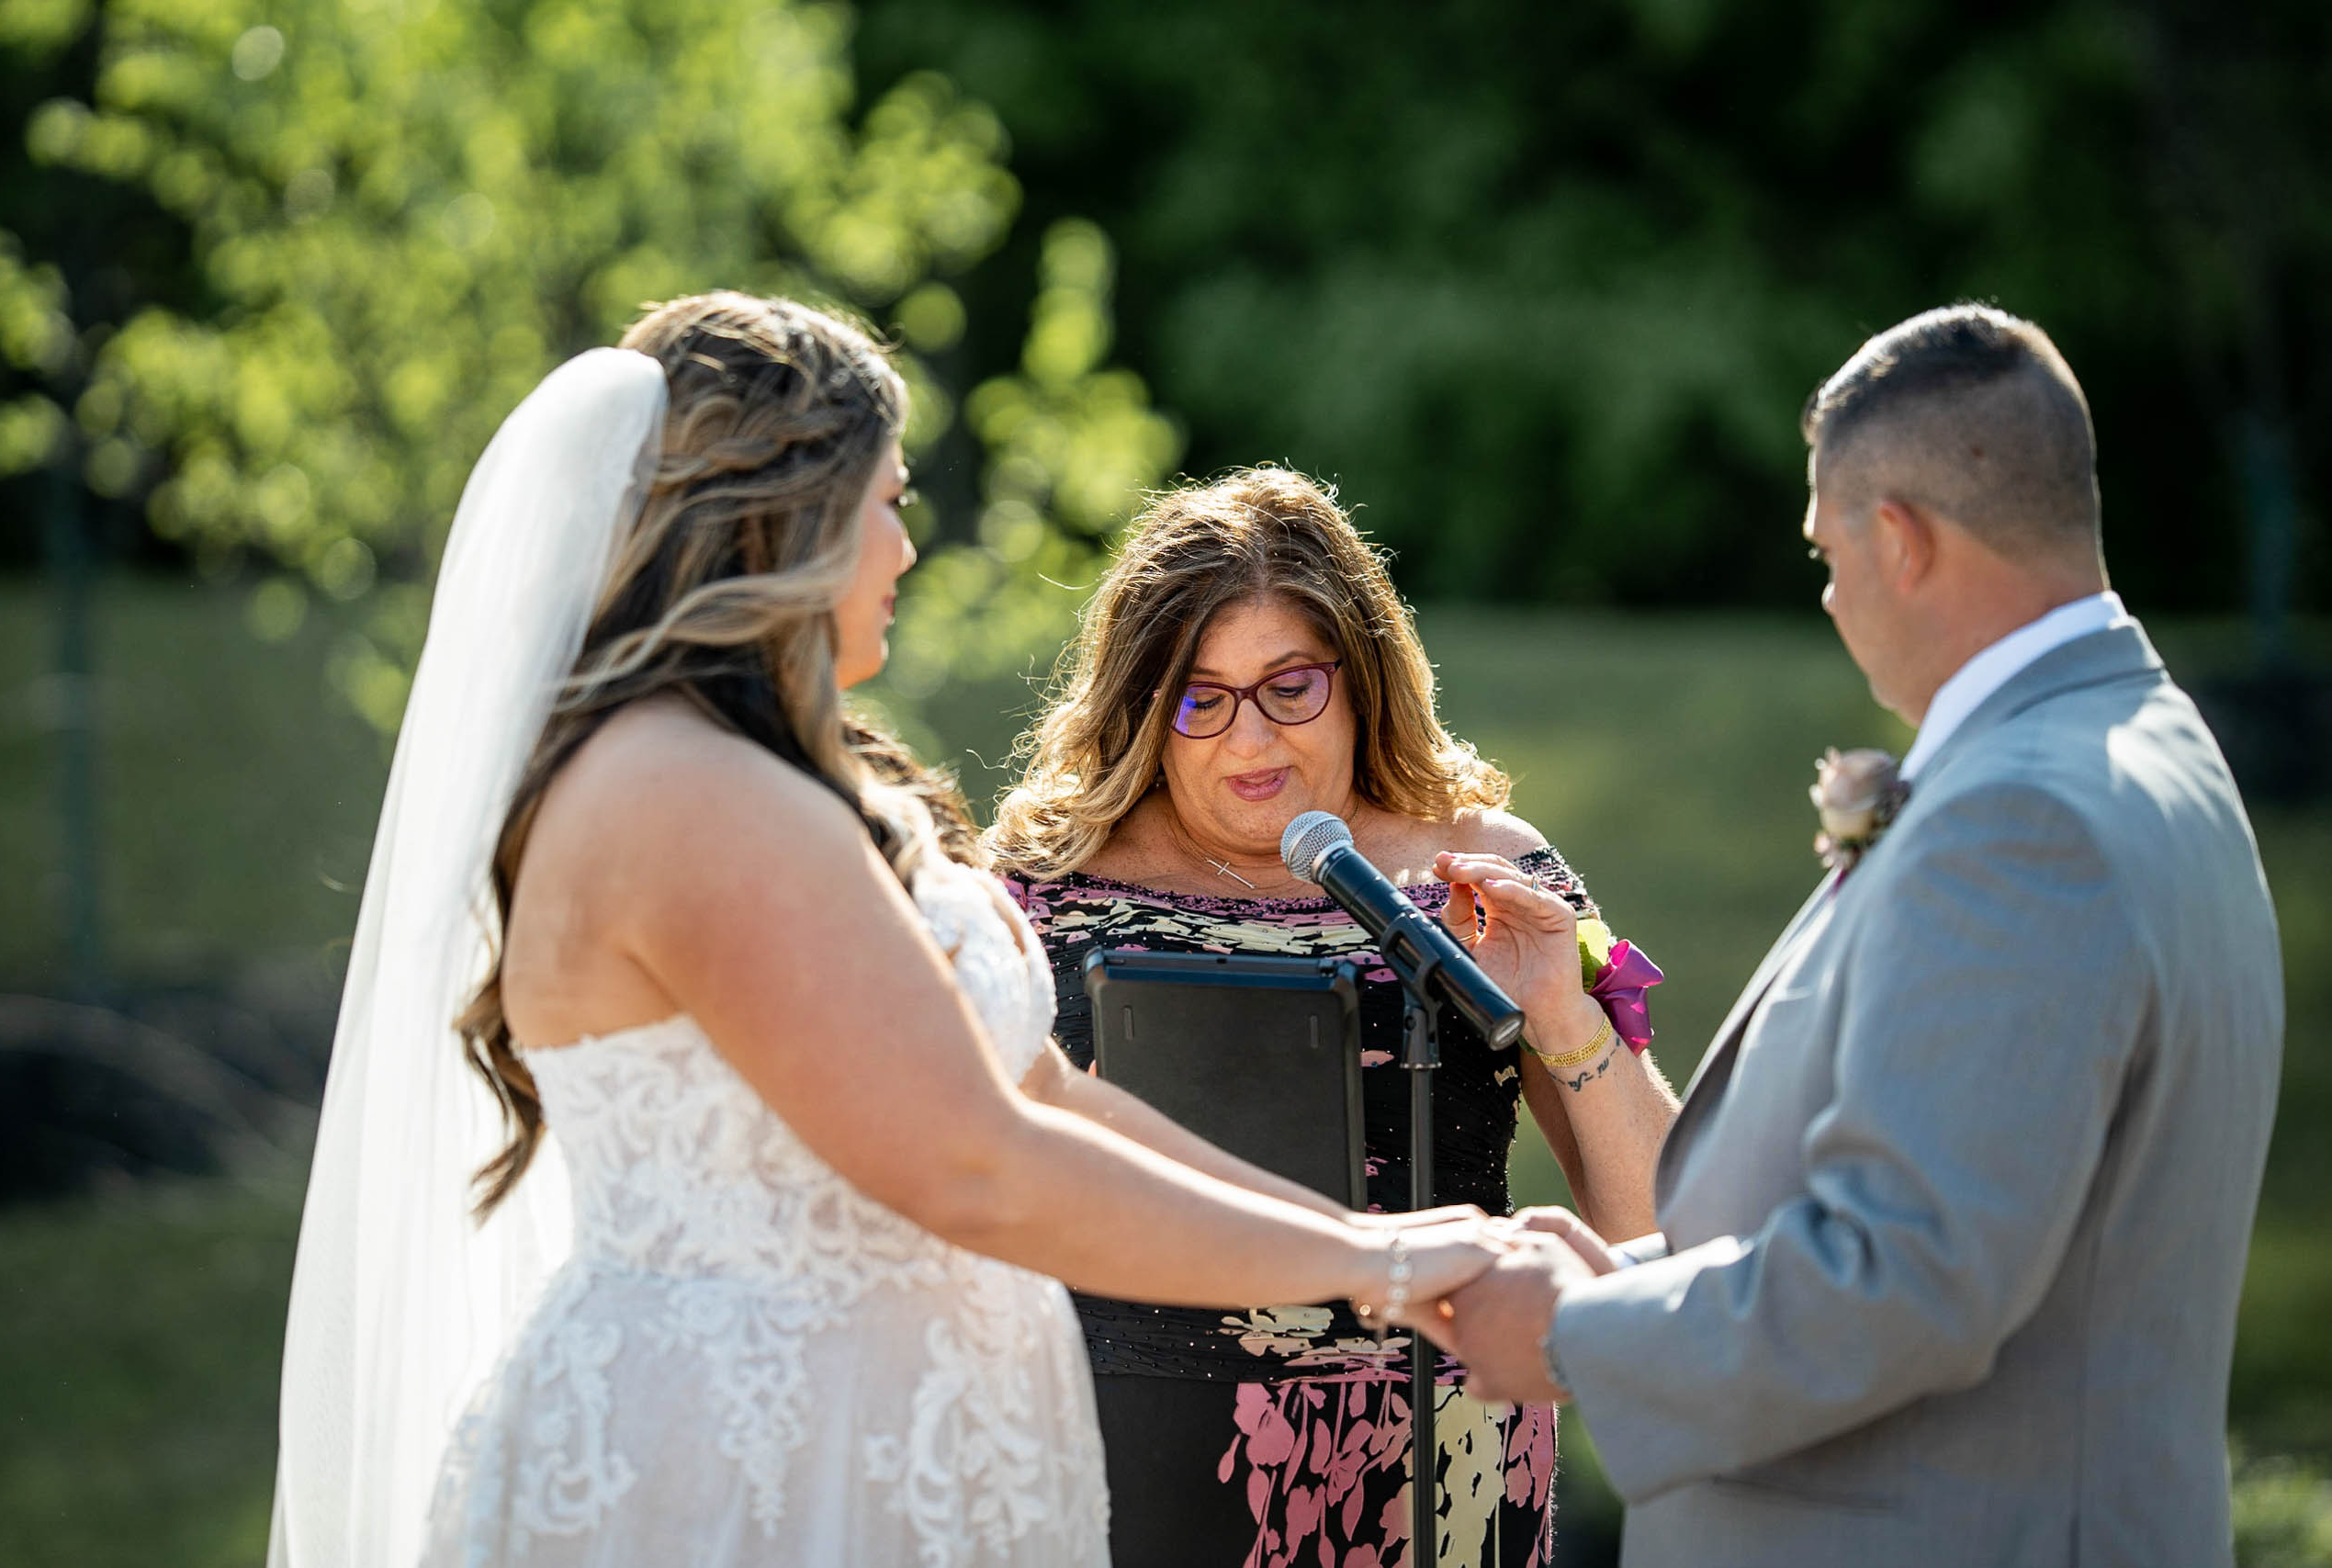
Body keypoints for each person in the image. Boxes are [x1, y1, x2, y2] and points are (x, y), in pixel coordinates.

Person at [266, 295, 1510, 1568]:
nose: (906, 548)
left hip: (879, 1448)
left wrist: (1395, 1246)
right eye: (889, 501)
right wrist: (1385, 1265)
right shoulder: (685, 795)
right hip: (746, 1468)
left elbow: (1043, 1093)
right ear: (787, 518)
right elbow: (978, 1162)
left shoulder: (790, 781)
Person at [1436, 305, 2284, 1567]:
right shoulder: (2148, 748)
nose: (1829, 594)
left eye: (1828, 552)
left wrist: (1575, 1335)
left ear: (1901, 538)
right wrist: (1639, 1276)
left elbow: (1912, 1273)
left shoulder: (2020, 817)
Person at [988, 468, 1681, 1567]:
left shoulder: (1488, 867)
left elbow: (1655, 1219)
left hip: (1442, 1455)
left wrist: (1561, 1012)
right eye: (1197, 699)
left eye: (1288, 688)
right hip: (1128, 1436)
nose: (1248, 741)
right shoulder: (1042, 886)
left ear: (1361, 679)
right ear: (1141, 709)